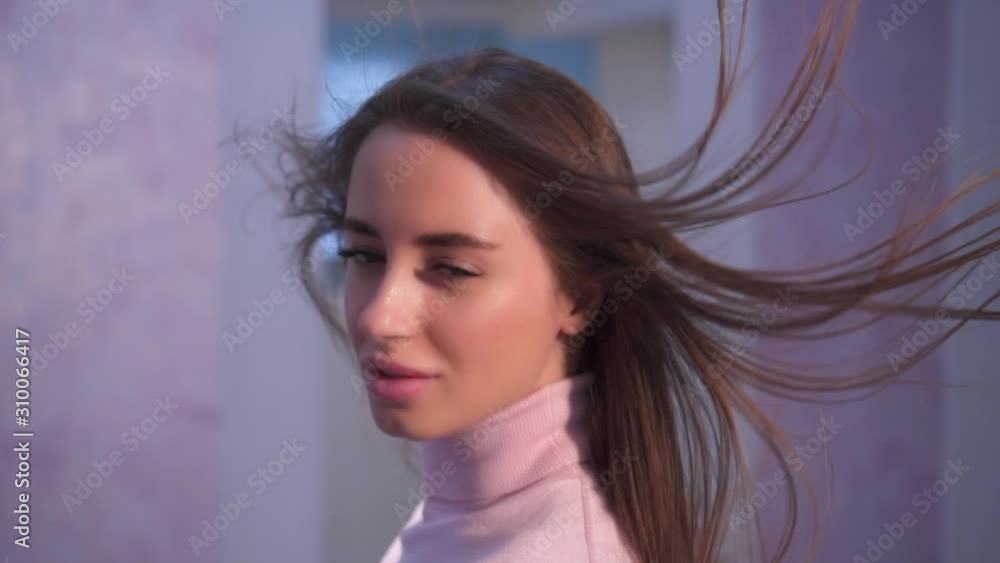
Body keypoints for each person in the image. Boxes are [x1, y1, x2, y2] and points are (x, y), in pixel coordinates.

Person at [274, 1, 998, 561]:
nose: (380, 317)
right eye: (363, 254)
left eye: (451, 268)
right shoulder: (467, 514)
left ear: (580, 294)